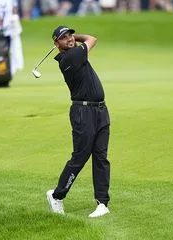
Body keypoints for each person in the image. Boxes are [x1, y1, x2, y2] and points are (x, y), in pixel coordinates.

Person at [46, 26, 111, 218]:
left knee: (101, 156)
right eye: (63, 38)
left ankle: (102, 203)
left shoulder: (75, 53)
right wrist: (78, 36)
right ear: (56, 44)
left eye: (70, 36)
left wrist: (73, 37)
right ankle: (57, 195)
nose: (70, 40)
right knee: (80, 157)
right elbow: (92, 39)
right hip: (83, 112)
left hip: (100, 109)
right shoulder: (69, 58)